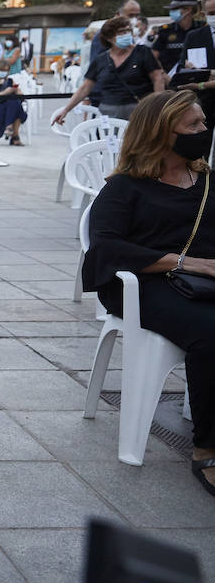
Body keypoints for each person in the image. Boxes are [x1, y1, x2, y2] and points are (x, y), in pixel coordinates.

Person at [82, 90, 215, 497]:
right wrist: (186, 262)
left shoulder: (206, 180)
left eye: (203, 123)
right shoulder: (125, 187)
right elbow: (106, 249)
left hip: (204, 282)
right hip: (140, 286)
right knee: (210, 333)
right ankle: (206, 448)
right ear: (161, 133)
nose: (204, 131)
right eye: (193, 125)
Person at [51, 16, 166, 124]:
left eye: (128, 31)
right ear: (109, 38)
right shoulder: (101, 60)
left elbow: (157, 79)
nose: (126, 34)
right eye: (121, 32)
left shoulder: (142, 52)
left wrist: (157, 108)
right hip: (108, 112)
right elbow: (85, 88)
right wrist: (66, 110)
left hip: (139, 109)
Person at [152, 0, 200, 75]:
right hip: (170, 78)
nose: (171, 12)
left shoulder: (202, 29)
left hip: (199, 77)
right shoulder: (165, 31)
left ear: (189, 9)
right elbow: (153, 56)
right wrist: (163, 74)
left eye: (175, 9)